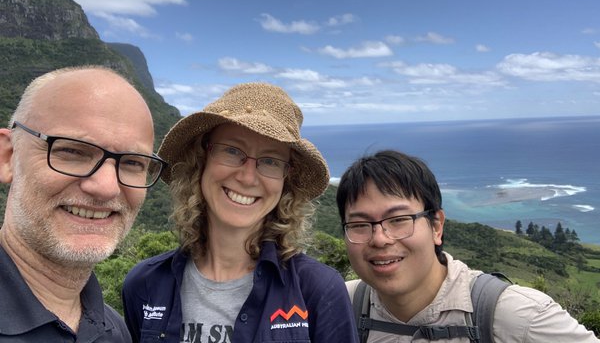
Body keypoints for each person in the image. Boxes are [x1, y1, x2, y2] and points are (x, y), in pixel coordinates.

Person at [122, 82, 358, 343]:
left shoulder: (318, 290)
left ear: (285, 181)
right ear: (201, 161)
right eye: (232, 151)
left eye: (270, 161)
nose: (247, 177)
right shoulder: (145, 284)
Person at [336, 150, 599, 342]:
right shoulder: (336, 303)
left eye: (399, 220)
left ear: (436, 226)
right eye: (360, 224)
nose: (380, 238)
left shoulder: (516, 315)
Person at [0, 66, 166, 342]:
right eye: (72, 151)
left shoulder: (115, 330)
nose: (106, 187)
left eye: (132, 163)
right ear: (8, 156)